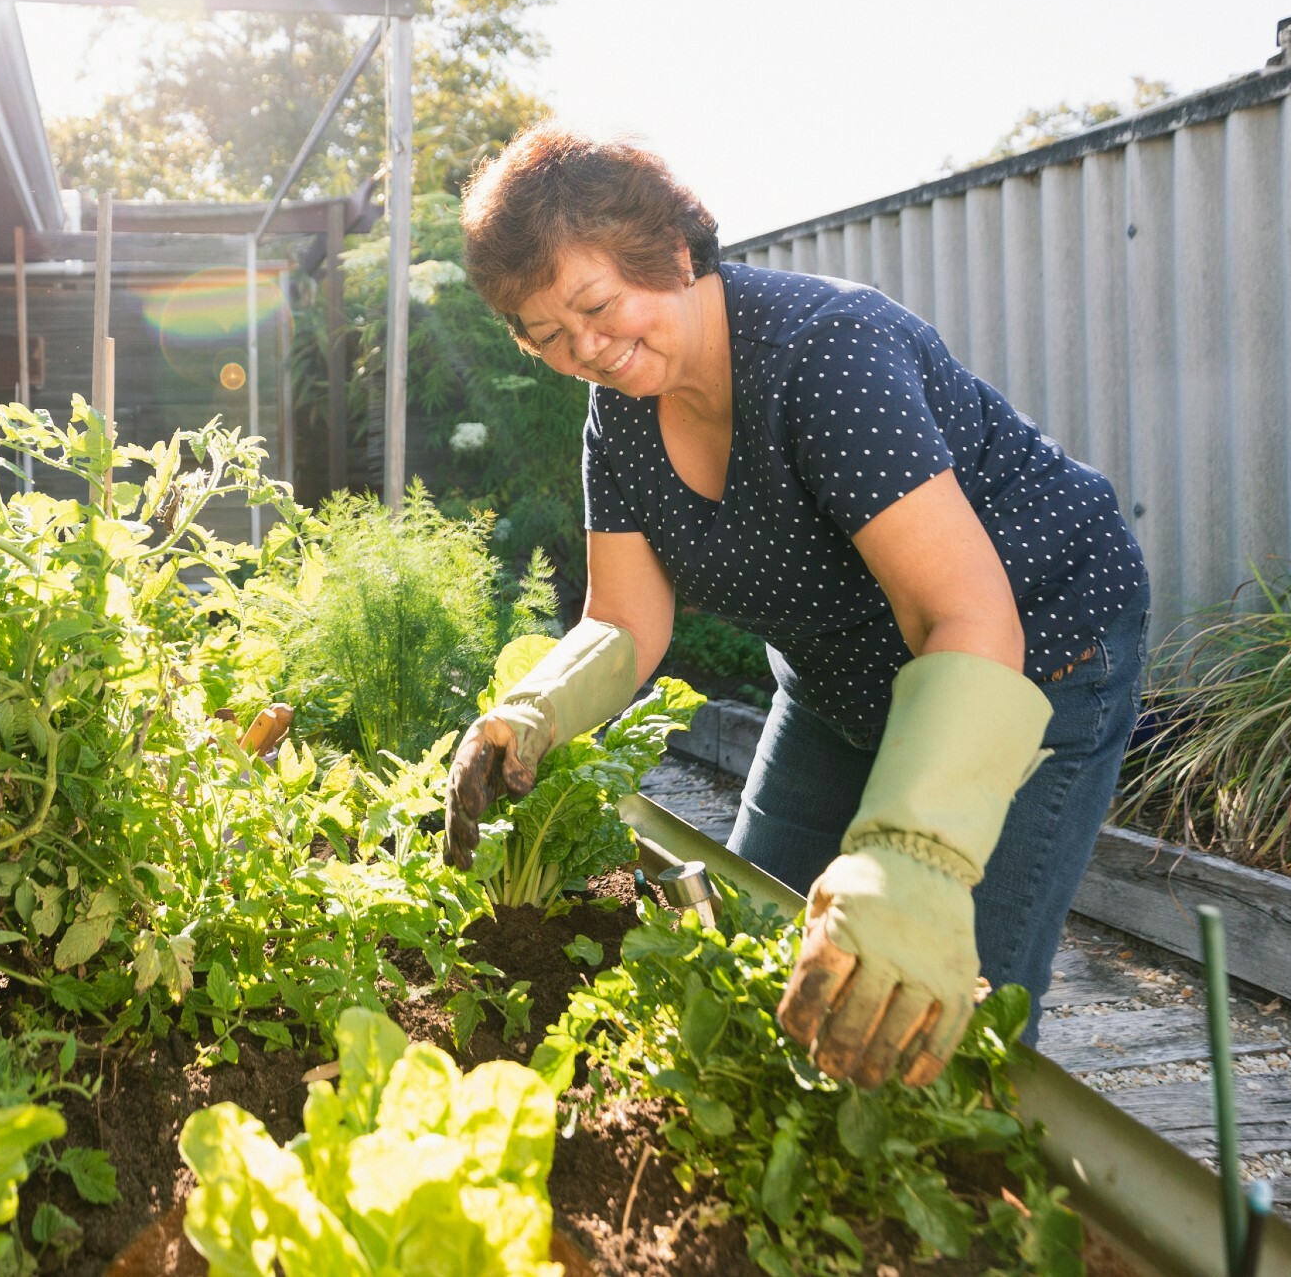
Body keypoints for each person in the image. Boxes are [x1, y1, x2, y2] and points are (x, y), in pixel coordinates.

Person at [441, 126, 1148, 1089]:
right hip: (840, 673)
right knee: (748, 950)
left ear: (675, 253)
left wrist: (912, 856)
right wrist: (529, 714)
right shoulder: (620, 414)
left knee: (929, 1005)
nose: (587, 352)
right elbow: (622, 621)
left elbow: (963, 613)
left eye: (598, 308)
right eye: (548, 339)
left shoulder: (826, 357)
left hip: (1032, 649)